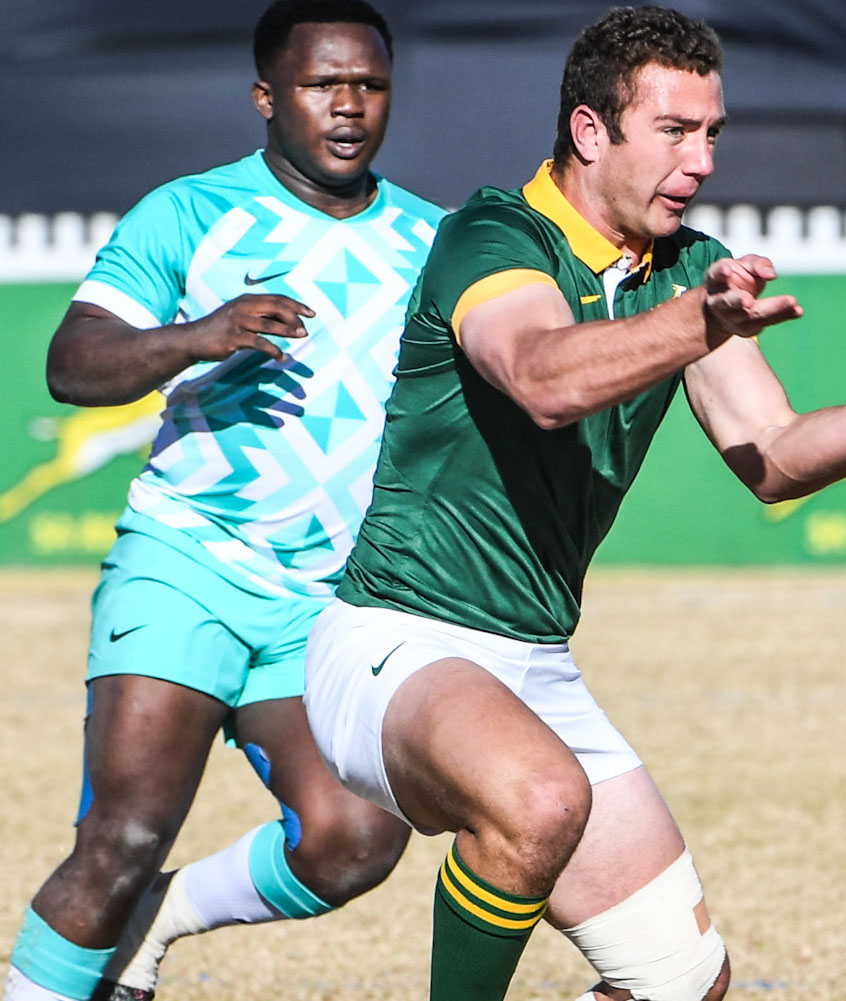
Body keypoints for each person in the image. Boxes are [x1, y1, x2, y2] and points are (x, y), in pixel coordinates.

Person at [297, 7, 846, 1001]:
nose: (700, 161)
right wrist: (694, 322)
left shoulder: (689, 268)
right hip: (393, 641)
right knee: (539, 798)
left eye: (712, 133)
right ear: (589, 131)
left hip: (533, 662)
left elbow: (774, 455)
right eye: (673, 131)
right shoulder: (493, 236)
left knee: (680, 980)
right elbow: (541, 376)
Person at [3, 4, 444, 1001]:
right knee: (122, 836)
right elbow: (73, 363)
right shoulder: (188, 213)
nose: (348, 106)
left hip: (326, 604)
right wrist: (196, 336)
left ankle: (151, 924)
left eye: (369, 86)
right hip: (187, 562)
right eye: (321, 85)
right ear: (265, 97)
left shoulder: (436, 240)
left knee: (356, 837)